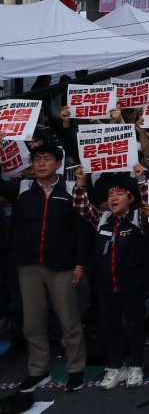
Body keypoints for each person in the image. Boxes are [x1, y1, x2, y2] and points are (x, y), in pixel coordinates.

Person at [0, 142, 88, 393]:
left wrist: (80, 263)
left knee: (69, 321)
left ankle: (75, 370)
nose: (40, 164)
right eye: (37, 159)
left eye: (46, 159)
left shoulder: (71, 190)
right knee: (32, 323)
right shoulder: (23, 189)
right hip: (29, 265)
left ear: (58, 164)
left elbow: (82, 231)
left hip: (62, 266)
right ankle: (37, 370)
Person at [73, 169, 149, 390]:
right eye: (110, 195)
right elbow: (81, 207)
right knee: (111, 326)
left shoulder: (139, 216)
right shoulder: (102, 218)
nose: (113, 198)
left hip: (132, 284)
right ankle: (115, 366)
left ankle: (136, 365)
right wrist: (80, 184)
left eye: (119, 194)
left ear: (130, 198)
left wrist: (140, 179)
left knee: (134, 325)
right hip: (106, 285)